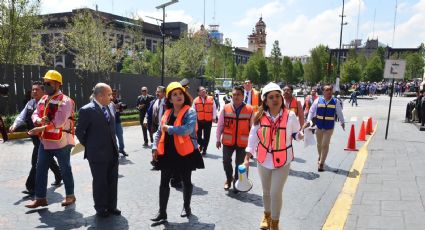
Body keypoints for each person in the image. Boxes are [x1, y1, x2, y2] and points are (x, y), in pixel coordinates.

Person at [243, 82, 304, 230]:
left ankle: (275, 222)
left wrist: (300, 135)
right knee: (266, 191)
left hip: (283, 160)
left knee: (275, 192)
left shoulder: (290, 116)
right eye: (271, 97)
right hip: (263, 159)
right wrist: (247, 157)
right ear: (265, 100)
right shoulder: (259, 116)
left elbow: (296, 133)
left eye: (278, 96)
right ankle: (267, 215)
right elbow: (253, 137)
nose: (275, 99)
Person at [151, 82, 204, 222]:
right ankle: (162, 213)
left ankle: (187, 207)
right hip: (167, 153)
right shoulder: (167, 113)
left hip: (185, 153)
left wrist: (171, 129)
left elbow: (188, 129)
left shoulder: (190, 111)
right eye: (174, 94)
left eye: (180, 93)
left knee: (186, 181)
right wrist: (154, 147)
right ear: (169, 99)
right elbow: (158, 131)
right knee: (164, 183)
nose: (179, 96)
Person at [25, 70, 76, 208]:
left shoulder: (66, 101)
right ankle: (41, 198)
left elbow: (58, 122)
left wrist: (39, 129)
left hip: (61, 142)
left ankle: (70, 195)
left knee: (65, 169)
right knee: (40, 168)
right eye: (45, 83)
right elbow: (35, 113)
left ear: (57, 84)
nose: (45, 85)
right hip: (45, 141)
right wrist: (38, 120)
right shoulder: (43, 99)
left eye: (48, 83)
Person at [75, 83, 121, 217]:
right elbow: (79, 132)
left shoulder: (111, 106)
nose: (111, 97)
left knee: (113, 181)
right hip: (97, 154)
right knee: (100, 182)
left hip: (112, 152)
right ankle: (101, 208)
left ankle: (112, 206)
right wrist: (90, 146)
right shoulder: (86, 110)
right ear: (100, 96)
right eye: (109, 94)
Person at [9, 81, 62, 196]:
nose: (33, 92)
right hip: (35, 137)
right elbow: (22, 116)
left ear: (44, 91)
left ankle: (31, 186)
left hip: (45, 137)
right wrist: (14, 125)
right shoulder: (30, 103)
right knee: (46, 159)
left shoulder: (49, 102)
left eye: (36, 89)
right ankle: (59, 175)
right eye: (32, 89)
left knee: (36, 161)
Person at [216, 85, 253, 192]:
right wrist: (218, 139)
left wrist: (252, 145)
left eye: (238, 95)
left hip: (243, 142)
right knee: (226, 161)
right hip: (228, 141)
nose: (236, 97)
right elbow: (220, 125)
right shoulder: (225, 107)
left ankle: (238, 182)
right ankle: (228, 178)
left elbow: (253, 129)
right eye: (234, 94)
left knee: (240, 164)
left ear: (243, 96)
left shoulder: (249, 109)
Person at [303, 84, 345, 172]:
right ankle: (320, 156)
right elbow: (311, 111)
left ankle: (321, 163)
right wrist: (308, 121)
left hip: (329, 127)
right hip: (319, 126)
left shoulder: (335, 101)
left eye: (330, 90)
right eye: (327, 90)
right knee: (319, 144)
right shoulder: (318, 100)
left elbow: (339, 112)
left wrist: (342, 122)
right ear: (323, 92)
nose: (329, 91)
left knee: (325, 144)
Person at [193, 86, 217, 156]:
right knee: (198, 136)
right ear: (198, 93)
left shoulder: (211, 98)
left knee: (207, 136)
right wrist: (193, 119)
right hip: (199, 121)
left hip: (208, 120)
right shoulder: (195, 100)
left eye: (204, 89)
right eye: (201, 90)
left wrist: (214, 117)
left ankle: (204, 149)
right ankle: (202, 144)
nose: (203, 91)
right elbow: (193, 110)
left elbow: (214, 108)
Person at [112, 89, 128, 157]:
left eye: (115, 94)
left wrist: (121, 108)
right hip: (111, 122)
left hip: (118, 121)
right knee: (113, 138)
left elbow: (121, 110)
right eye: (113, 94)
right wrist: (115, 107)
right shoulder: (108, 101)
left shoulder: (119, 101)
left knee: (120, 136)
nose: (114, 95)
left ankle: (121, 149)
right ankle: (114, 151)